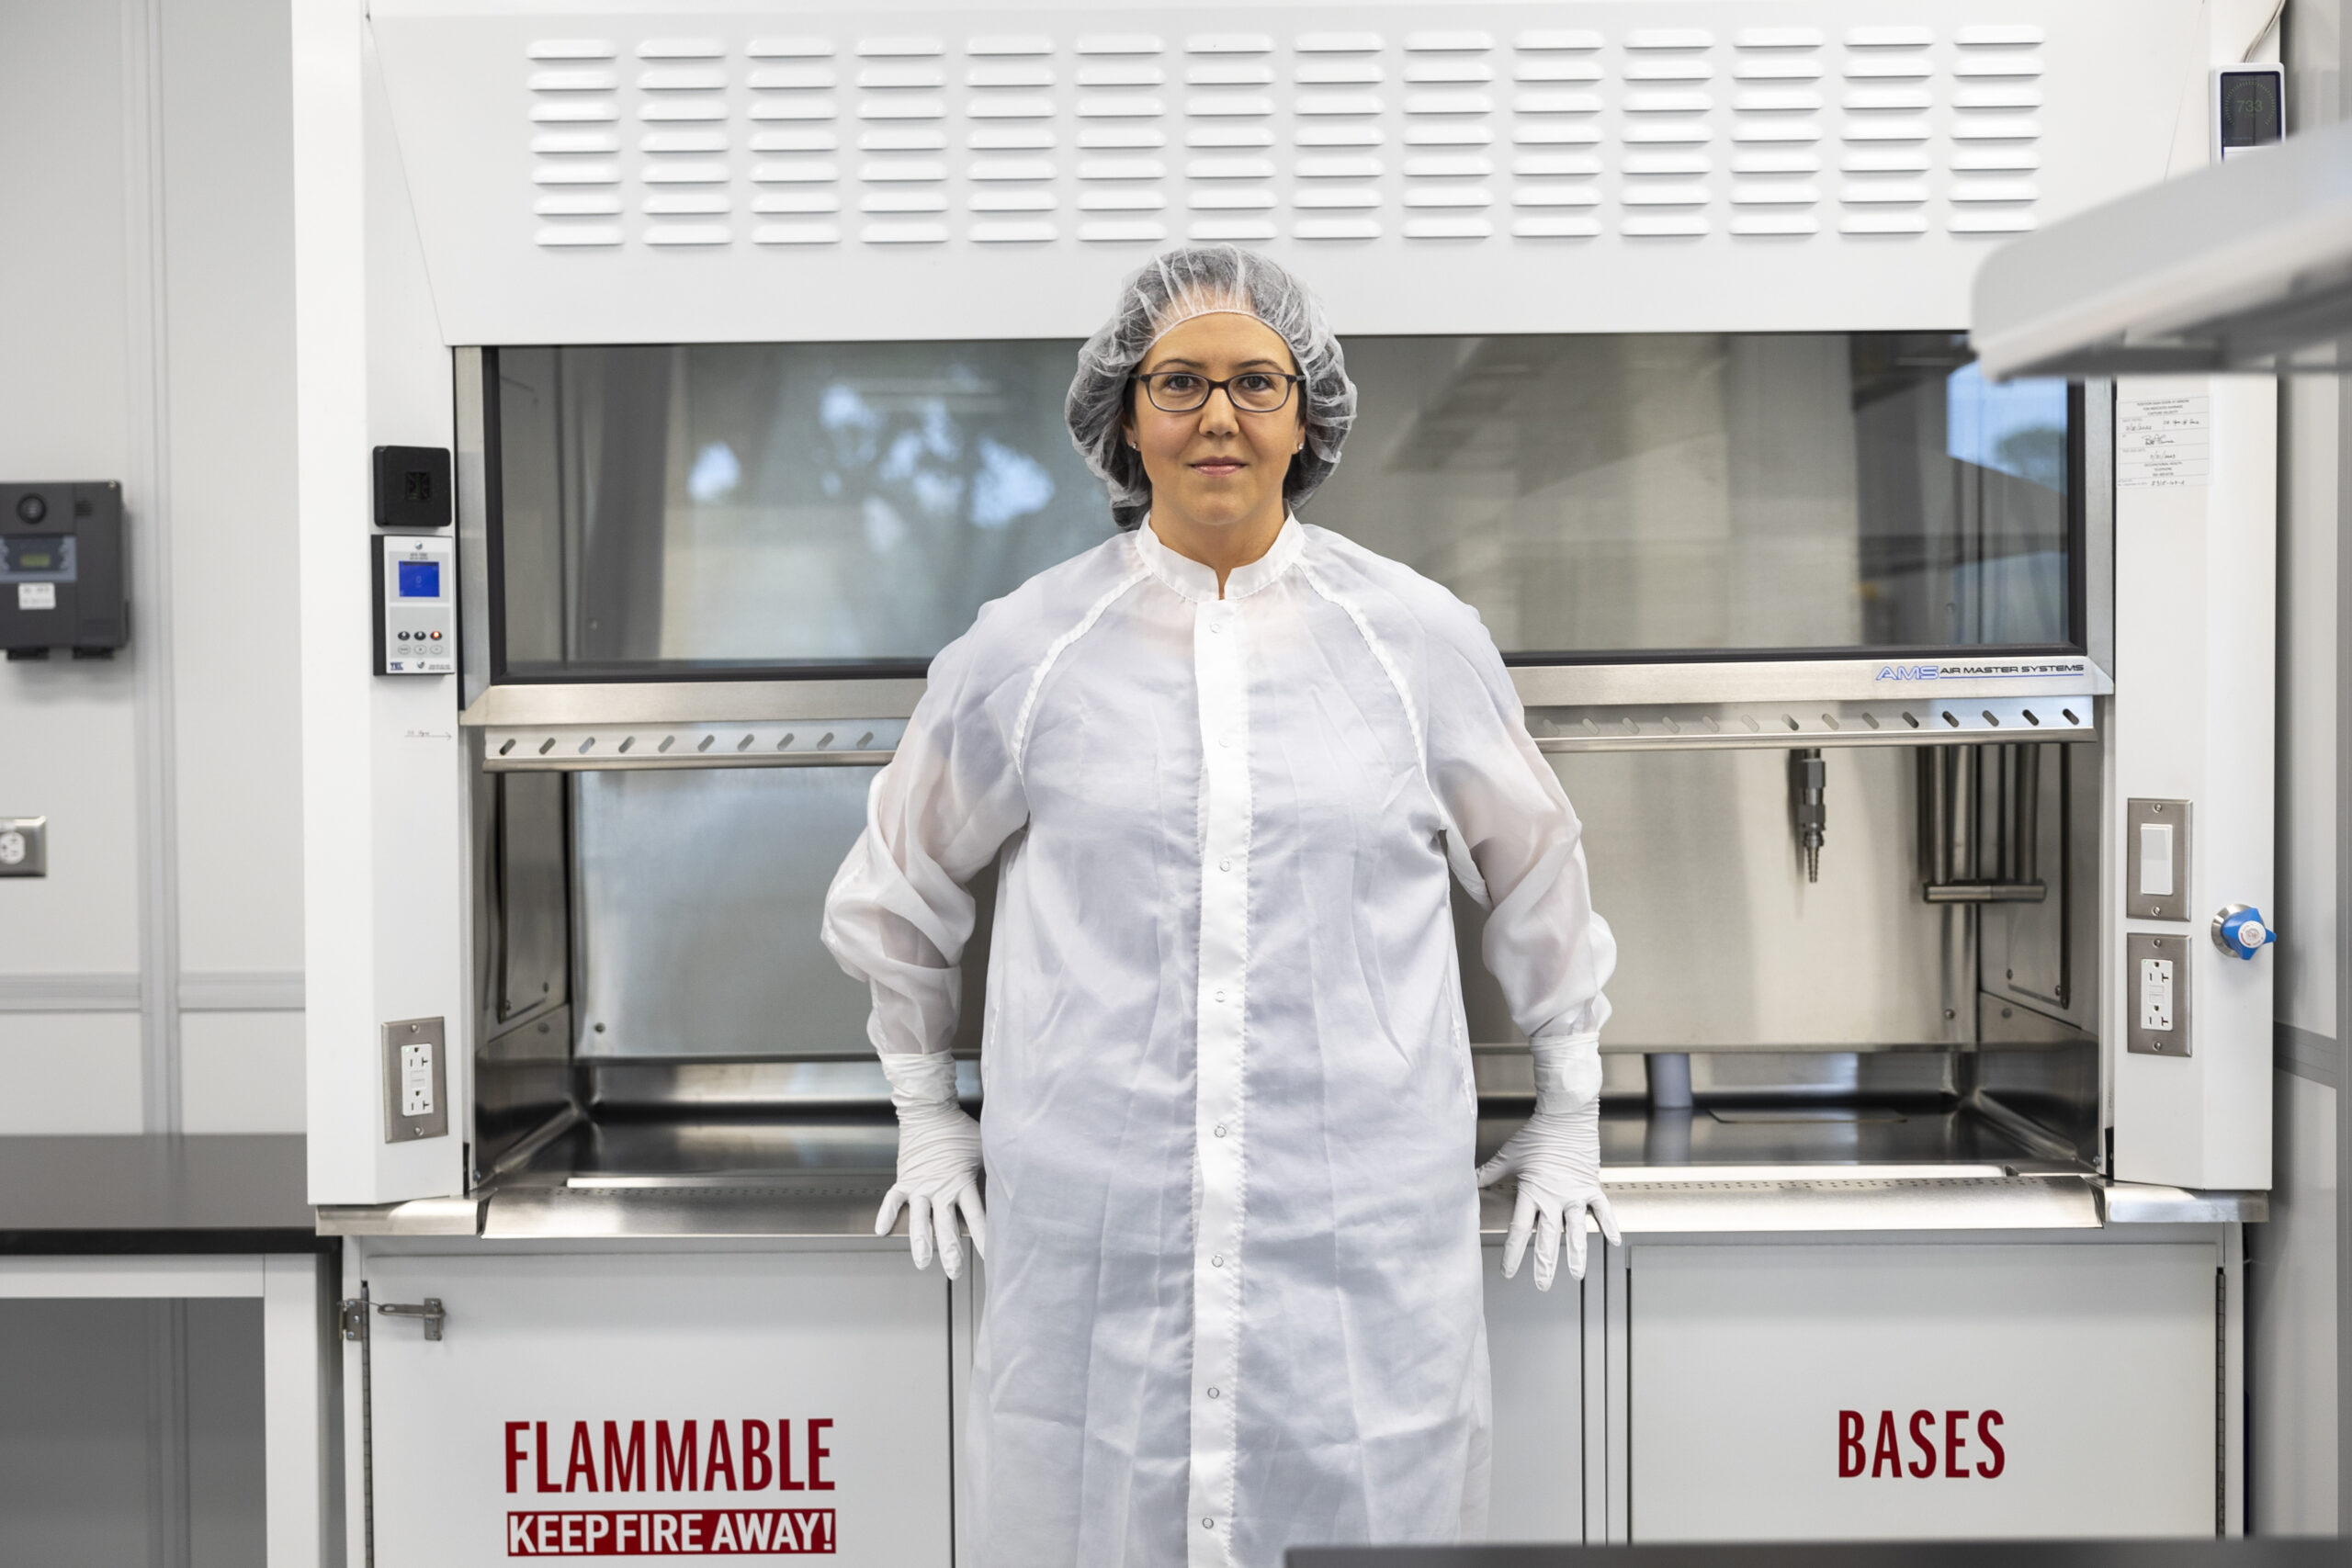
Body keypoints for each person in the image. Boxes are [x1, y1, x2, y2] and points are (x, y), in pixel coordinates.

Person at [821, 244, 1617, 1568]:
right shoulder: (1027, 648)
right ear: (1123, 418)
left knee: (1372, 1518)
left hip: (1353, 1243)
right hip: (1101, 1239)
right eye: (1179, 381)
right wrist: (925, 1112)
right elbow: (898, 882)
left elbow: (1536, 866)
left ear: (1307, 416)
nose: (1219, 416)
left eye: (1258, 381)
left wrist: (1571, 1106)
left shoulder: (1414, 642)